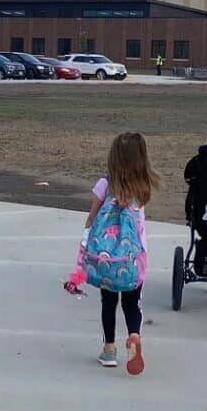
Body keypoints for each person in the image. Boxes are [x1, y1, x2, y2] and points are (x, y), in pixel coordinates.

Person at [63, 131, 160, 375]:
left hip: (106, 256)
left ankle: (108, 349)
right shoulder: (143, 186)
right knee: (132, 302)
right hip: (133, 257)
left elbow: (92, 217)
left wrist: (85, 246)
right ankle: (135, 335)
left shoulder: (104, 184)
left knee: (108, 302)